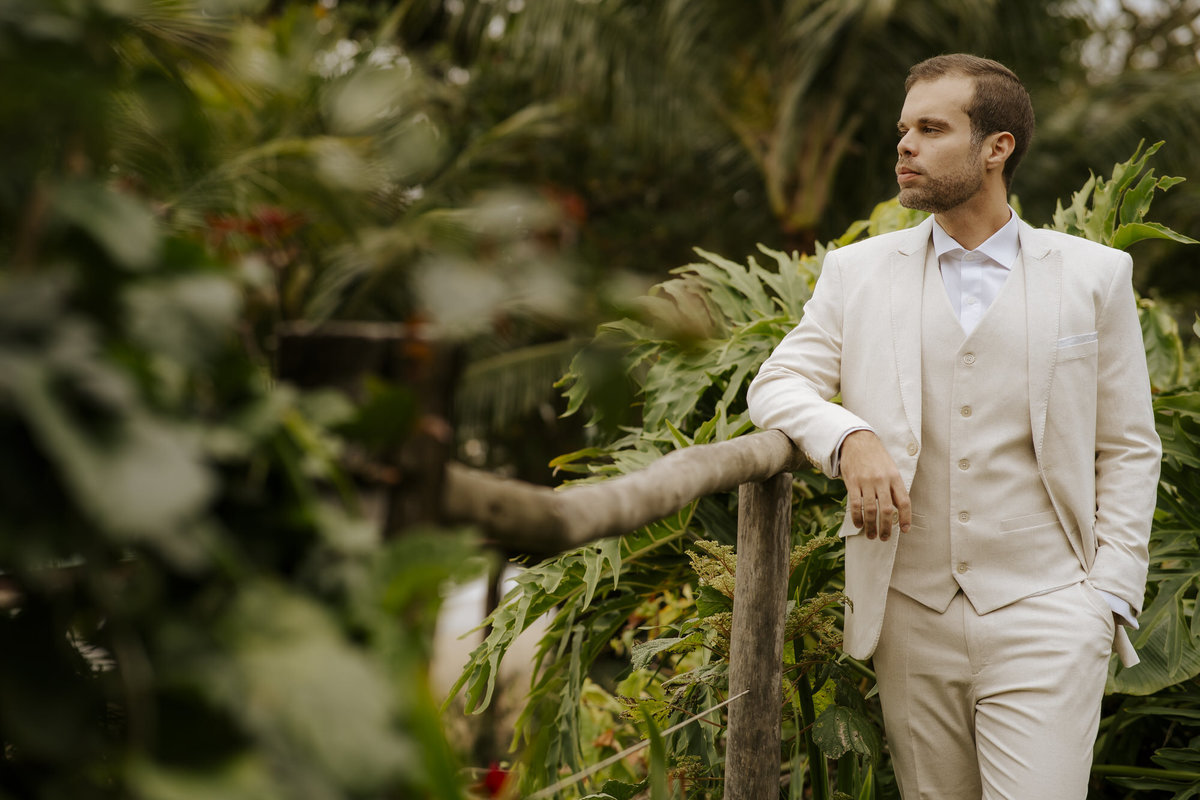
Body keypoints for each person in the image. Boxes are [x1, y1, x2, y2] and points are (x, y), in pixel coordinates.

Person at [746, 54, 1161, 799]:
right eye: (904, 129)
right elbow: (778, 381)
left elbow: (1127, 445)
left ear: (996, 147)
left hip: (1049, 610)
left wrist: (1107, 599)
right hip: (911, 613)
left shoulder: (1094, 275)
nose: (904, 146)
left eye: (931, 129)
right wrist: (850, 438)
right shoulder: (858, 272)